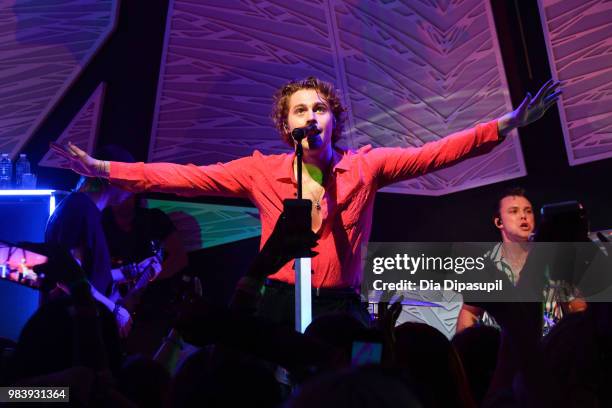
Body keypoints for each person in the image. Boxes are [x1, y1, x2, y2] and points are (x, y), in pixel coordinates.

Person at [51, 77, 561, 326]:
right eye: (300, 109)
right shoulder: (260, 171)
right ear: (286, 124)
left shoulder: (366, 166)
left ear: (334, 119)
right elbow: (185, 176)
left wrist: (506, 125)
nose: (311, 115)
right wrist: (103, 170)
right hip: (274, 302)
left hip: (341, 304)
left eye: (320, 108)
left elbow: (435, 153)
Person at [456, 187, 585, 334]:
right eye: (514, 211)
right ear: (499, 222)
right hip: (505, 351)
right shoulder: (487, 266)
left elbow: (577, 306)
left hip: (552, 349)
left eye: (528, 211)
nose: (523, 216)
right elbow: (469, 313)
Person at [45, 146, 136, 337]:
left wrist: (131, 271)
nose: (133, 187)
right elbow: (67, 277)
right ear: (110, 178)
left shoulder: (85, 209)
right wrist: (114, 310)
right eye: (128, 178)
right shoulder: (79, 208)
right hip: (73, 332)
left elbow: (87, 274)